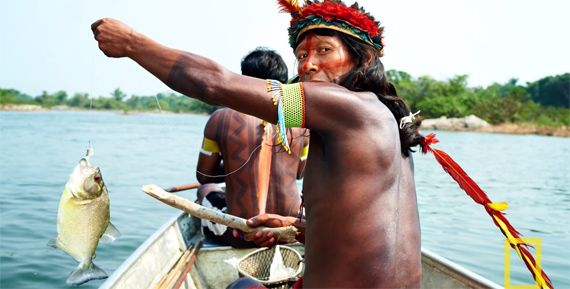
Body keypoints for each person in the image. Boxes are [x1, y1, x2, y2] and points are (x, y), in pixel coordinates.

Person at [92, 0, 423, 287]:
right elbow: (367, 228)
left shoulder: (346, 106)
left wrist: (132, 44)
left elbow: (214, 84)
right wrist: (297, 227)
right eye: (301, 54)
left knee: (240, 286)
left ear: (362, 59)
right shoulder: (378, 117)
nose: (307, 64)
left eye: (324, 51)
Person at [196, 47, 309, 248]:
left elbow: (204, 176)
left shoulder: (220, 118)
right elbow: (299, 173)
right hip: (291, 230)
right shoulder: (302, 123)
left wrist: (236, 167)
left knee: (206, 189)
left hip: (242, 233)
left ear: (243, 80)